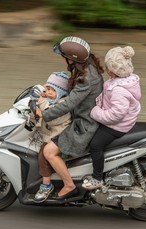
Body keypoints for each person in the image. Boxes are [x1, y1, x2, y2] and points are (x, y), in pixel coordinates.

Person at [36, 36, 104, 200]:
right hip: (83, 118)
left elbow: (69, 104)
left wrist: (44, 113)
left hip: (84, 125)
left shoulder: (86, 78)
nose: (62, 58)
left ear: (72, 59)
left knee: (49, 151)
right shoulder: (87, 68)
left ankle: (69, 185)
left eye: (64, 56)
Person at [82, 46, 142, 190]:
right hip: (123, 119)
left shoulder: (118, 90)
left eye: (108, 65)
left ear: (113, 70)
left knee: (95, 144)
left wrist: (95, 112)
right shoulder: (126, 80)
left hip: (118, 126)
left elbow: (115, 115)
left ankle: (97, 178)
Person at [30, 72, 72, 203]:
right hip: (51, 135)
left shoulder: (63, 105)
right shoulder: (50, 101)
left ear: (60, 92)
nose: (48, 93)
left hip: (60, 136)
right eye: (47, 89)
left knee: (44, 154)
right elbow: (39, 115)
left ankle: (46, 185)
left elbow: (51, 118)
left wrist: (41, 103)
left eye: (52, 90)